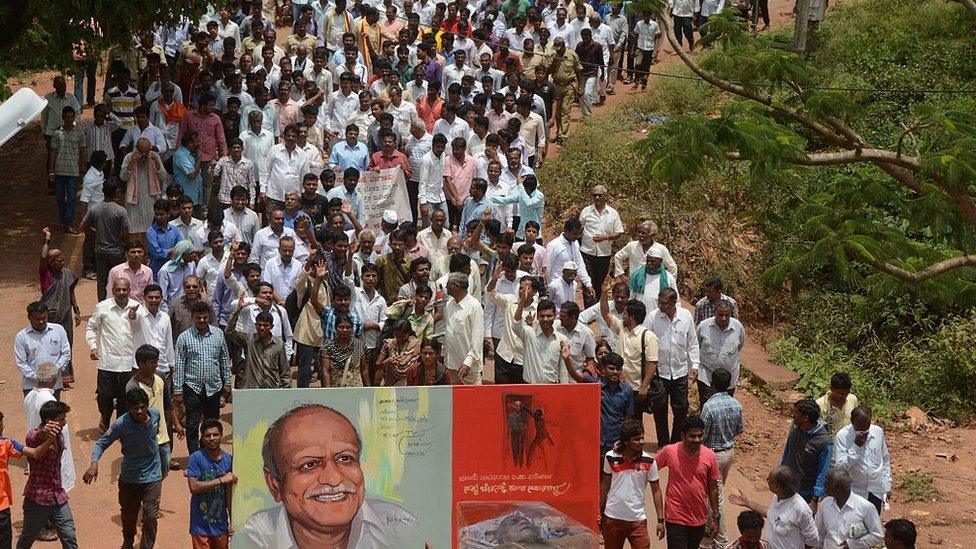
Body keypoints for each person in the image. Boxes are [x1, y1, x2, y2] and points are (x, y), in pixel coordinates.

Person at [242, 404, 417, 547]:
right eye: (309, 464)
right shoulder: (255, 537)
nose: (334, 478)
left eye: (345, 458)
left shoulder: (402, 528)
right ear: (274, 484)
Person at [84, 388, 162, 549]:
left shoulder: (155, 415)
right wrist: (94, 464)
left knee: (150, 516)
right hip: (130, 478)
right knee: (128, 516)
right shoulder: (121, 424)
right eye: (135, 408)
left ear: (147, 405)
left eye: (142, 407)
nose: (139, 411)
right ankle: (128, 541)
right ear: (128, 408)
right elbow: (101, 443)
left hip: (153, 476)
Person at [16, 400, 80, 549]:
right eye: (61, 419)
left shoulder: (59, 435)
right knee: (27, 537)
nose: (64, 422)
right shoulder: (34, 434)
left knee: (69, 536)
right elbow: (34, 438)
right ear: (48, 421)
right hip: (37, 498)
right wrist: (44, 433)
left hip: (58, 496)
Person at [653, 416, 721, 549]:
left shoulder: (710, 456)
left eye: (700, 436)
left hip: (699, 518)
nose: (697, 440)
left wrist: (716, 517)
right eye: (692, 436)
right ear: (683, 435)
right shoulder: (669, 451)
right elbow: (650, 468)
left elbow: (713, 488)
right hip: (675, 515)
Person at [174, 302, 231, 455]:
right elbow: (179, 364)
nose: (201, 321)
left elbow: (224, 359)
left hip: (214, 387)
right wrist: (178, 390)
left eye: (204, 317)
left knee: (211, 423)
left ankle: (207, 455)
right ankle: (194, 457)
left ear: (209, 317)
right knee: (192, 424)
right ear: (192, 317)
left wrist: (227, 382)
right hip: (192, 387)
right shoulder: (184, 338)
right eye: (198, 318)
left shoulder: (218, 334)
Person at [645, 288, 698, 448]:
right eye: (659, 302)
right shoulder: (653, 317)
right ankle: (663, 443)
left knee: (681, 409)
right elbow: (645, 340)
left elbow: (693, 343)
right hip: (659, 373)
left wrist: (695, 365)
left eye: (665, 303)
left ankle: (675, 443)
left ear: (673, 303)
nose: (661, 306)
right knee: (659, 410)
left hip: (680, 371)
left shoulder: (686, 317)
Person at [600, 418, 665, 549]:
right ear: (626, 441)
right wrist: (598, 511)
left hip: (637, 520)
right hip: (612, 518)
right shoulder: (610, 457)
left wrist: (660, 520)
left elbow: (656, 491)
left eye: (642, 438)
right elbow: (605, 485)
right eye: (637, 439)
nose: (642, 442)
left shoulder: (649, 461)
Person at [86, 277, 139, 432]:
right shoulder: (103, 307)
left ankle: (120, 426)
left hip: (129, 361)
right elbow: (91, 327)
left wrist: (135, 318)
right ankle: (105, 417)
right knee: (104, 396)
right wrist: (93, 346)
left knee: (125, 396)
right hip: (108, 360)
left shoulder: (137, 308)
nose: (121, 292)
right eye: (118, 289)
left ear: (130, 290)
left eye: (124, 289)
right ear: (112, 290)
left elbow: (141, 330)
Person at [700, 368, 744, 549]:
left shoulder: (709, 406)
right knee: (714, 493)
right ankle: (709, 527)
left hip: (713, 456)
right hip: (729, 454)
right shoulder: (736, 404)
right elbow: (739, 430)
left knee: (715, 498)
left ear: (712, 384)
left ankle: (721, 540)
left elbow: (701, 435)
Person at [186, 419, 235, 548]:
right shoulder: (196, 458)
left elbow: (230, 494)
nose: (212, 438)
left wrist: (233, 521)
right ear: (202, 438)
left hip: (221, 526)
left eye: (215, 434)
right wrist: (220, 480)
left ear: (221, 435)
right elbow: (194, 487)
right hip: (200, 526)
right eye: (208, 435)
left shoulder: (229, 461)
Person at [834, 406, 892, 515]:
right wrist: (855, 447)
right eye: (860, 426)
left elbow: (885, 459)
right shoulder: (842, 436)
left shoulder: (878, 432)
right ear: (852, 421)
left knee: (872, 524)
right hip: (855, 491)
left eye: (867, 425)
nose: (864, 430)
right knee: (855, 526)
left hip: (875, 490)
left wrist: (886, 485)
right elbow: (840, 468)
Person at [80, 183, 130, 301]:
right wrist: (123, 244)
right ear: (116, 193)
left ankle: (102, 304)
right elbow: (126, 233)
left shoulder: (95, 209)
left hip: (100, 250)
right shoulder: (121, 211)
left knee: (101, 281)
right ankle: (119, 303)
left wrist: (96, 233)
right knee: (120, 279)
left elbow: (83, 226)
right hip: (116, 251)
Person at [226, 299, 291, 389]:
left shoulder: (279, 344)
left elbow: (285, 371)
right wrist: (238, 310)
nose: (262, 328)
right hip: (251, 390)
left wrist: (286, 390)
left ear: (271, 327)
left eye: (265, 325)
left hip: (271, 389)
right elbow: (229, 332)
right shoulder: (248, 340)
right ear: (256, 325)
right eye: (259, 325)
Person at [814, 468, 884, 549]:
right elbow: (818, 531)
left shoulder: (866, 507)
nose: (824, 486)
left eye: (827, 483)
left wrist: (852, 544)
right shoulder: (825, 504)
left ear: (838, 488)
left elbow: (877, 535)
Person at [782, 398, 833, 506]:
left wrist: (815, 498)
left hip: (805, 493)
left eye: (796, 413)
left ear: (805, 418)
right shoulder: (795, 428)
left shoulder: (824, 442)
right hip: (788, 485)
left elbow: (823, 471)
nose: (793, 415)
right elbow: (787, 451)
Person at [15, 302, 71, 398]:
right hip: (32, 387)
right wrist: (38, 377)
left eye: (43, 318)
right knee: (34, 412)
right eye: (37, 319)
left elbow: (66, 353)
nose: (41, 322)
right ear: (29, 318)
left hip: (54, 385)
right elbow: (21, 363)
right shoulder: (22, 336)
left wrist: (54, 371)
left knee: (54, 412)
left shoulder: (58, 330)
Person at [579, 185, 624, 304]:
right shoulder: (586, 211)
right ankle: (588, 310)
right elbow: (579, 229)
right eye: (594, 195)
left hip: (604, 253)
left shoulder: (613, 213)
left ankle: (597, 307)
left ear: (606, 197)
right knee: (587, 281)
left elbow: (619, 233)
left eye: (600, 195)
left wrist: (606, 237)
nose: (597, 197)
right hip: (587, 252)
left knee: (599, 282)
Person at [696, 301, 746, 403]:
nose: (724, 318)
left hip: (729, 378)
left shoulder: (738, 327)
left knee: (725, 406)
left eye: (727, 315)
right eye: (721, 315)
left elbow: (740, 345)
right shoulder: (703, 327)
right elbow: (696, 346)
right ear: (715, 313)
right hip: (707, 376)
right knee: (706, 405)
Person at [48, 106, 87, 234]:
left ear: (74, 118)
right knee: (59, 198)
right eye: (67, 117)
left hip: (73, 172)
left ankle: (69, 223)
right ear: (63, 118)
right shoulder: (57, 133)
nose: (69, 119)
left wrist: (82, 170)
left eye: (71, 117)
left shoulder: (80, 133)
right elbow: (52, 152)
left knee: (71, 198)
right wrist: (51, 170)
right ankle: (62, 221)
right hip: (59, 171)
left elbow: (82, 152)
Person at [443, 271, 485, 384]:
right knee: (455, 398)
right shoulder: (449, 304)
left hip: (469, 366)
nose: (445, 286)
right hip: (452, 362)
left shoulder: (474, 307)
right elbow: (448, 332)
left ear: (456, 287)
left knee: (473, 398)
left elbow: (477, 339)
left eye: (448, 284)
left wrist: (468, 362)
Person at [320, 313, 369, 387]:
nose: (344, 330)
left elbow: (364, 369)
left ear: (352, 328)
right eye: (341, 327)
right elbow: (325, 371)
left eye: (348, 327)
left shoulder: (359, 346)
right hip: (336, 390)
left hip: (356, 389)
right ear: (335, 328)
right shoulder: (328, 348)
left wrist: (368, 389)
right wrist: (328, 392)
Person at [629, 247, 679, 313]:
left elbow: (676, 301)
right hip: (639, 317)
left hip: (659, 318)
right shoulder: (638, 275)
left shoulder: (668, 278)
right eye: (648, 261)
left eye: (652, 261)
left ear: (660, 261)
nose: (649, 264)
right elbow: (631, 296)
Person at [816, 372, 859, 439]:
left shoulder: (853, 399)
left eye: (847, 393)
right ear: (832, 389)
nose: (844, 396)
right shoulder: (819, 404)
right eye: (840, 393)